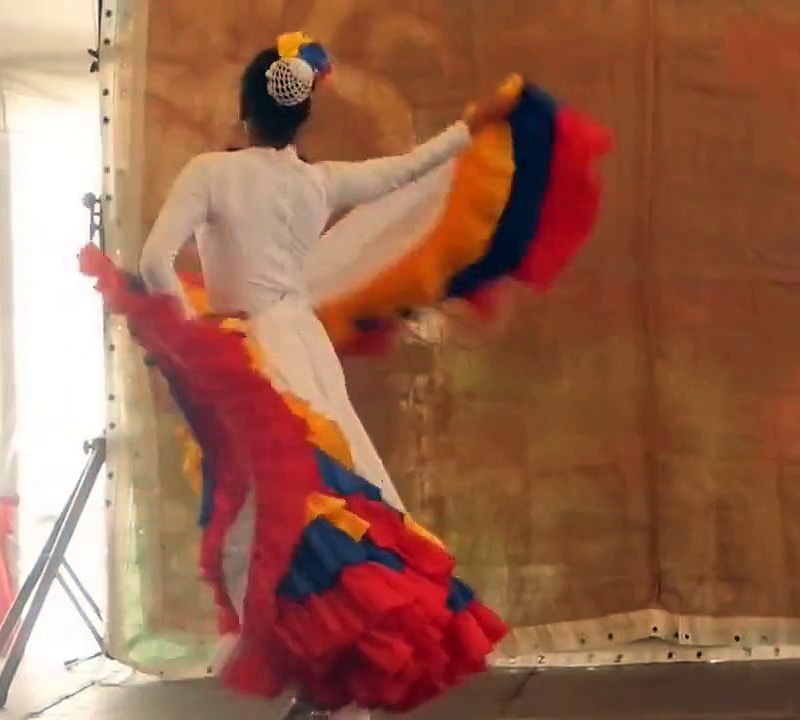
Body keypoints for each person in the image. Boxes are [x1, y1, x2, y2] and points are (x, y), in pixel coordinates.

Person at [82, 32, 610, 719]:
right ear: (302, 117)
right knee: (335, 509)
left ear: (244, 110)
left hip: (252, 357)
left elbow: (155, 263)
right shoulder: (316, 182)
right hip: (302, 346)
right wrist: (468, 128)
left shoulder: (211, 172)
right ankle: (337, 685)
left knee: (268, 521)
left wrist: (199, 339)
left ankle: (324, 681)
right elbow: (407, 171)